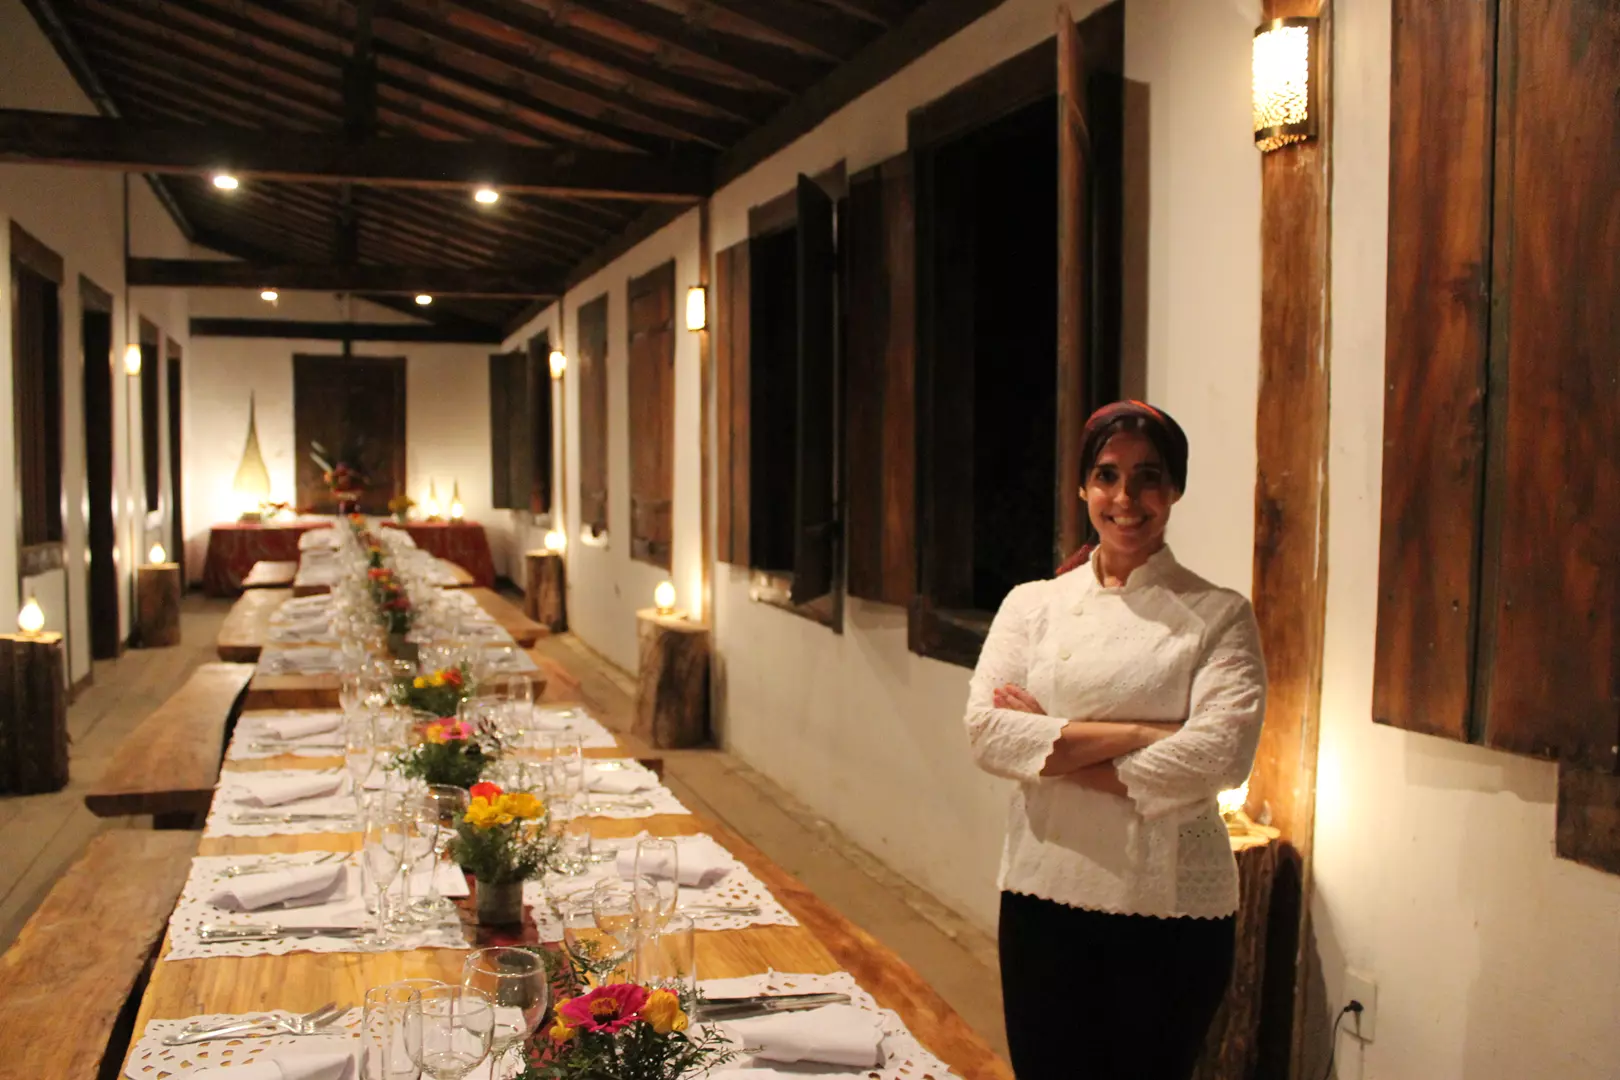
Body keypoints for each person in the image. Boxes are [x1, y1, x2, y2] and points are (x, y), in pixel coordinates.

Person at [963, 400, 1267, 1080]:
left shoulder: (1218, 614)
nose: (1125, 498)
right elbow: (987, 734)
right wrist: (1141, 733)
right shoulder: (1032, 605)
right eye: (1106, 475)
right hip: (1043, 892)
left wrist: (1051, 750)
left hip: (1167, 908)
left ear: (1175, 489)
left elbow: (1219, 756)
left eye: (1148, 477)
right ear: (1082, 487)